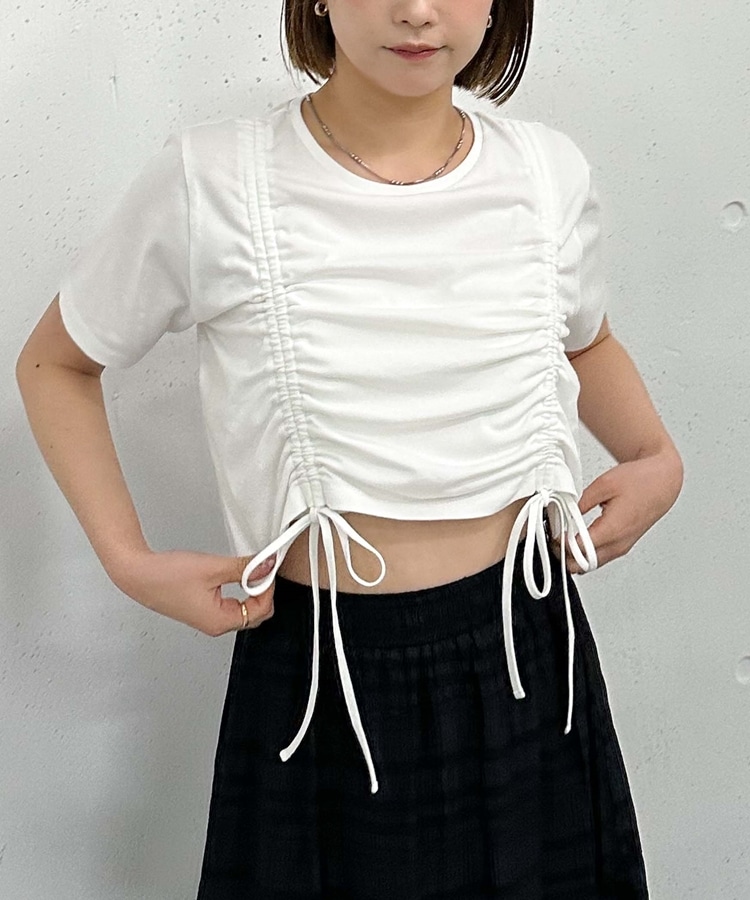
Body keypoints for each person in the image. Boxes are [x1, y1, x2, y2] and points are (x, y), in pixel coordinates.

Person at [16, 0, 683, 897]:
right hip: (322, 675)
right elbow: (56, 363)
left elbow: (584, 338)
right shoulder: (214, 179)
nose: (418, 11)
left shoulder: (546, 172)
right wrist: (128, 563)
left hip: (533, 654)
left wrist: (655, 457)